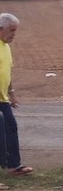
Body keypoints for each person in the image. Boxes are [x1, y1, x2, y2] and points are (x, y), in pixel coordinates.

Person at [0, 13, 31, 175]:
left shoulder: (6, 47)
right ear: (1, 29)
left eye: (15, 31)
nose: (13, 34)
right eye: (11, 30)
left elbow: (7, 72)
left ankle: (14, 165)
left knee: (10, 127)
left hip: (2, 98)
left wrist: (11, 93)